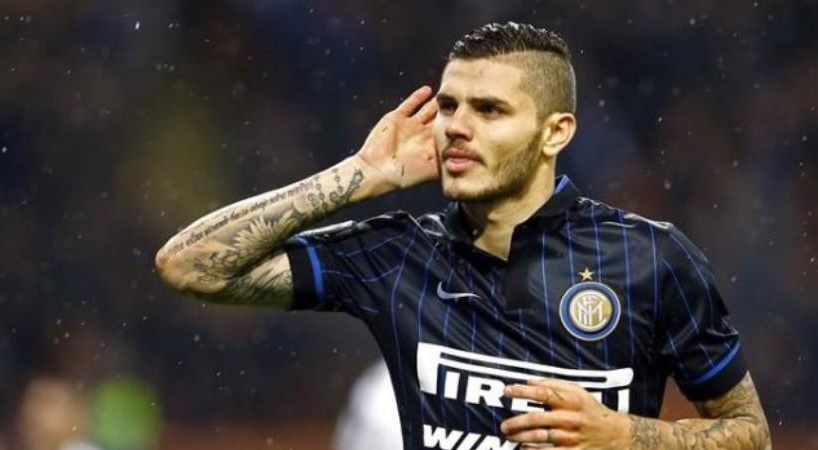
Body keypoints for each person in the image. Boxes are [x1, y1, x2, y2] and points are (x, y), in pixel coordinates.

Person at [155, 22, 770, 450]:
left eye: (490, 110)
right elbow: (190, 267)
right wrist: (359, 176)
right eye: (449, 106)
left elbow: (749, 434)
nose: (456, 127)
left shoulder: (651, 259)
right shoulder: (398, 255)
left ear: (555, 132)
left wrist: (625, 435)